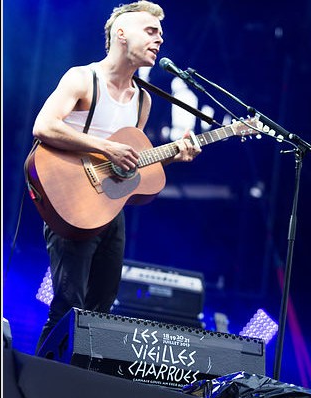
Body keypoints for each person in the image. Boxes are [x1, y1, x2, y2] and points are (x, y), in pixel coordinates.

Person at [32, 0, 201, 354]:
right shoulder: (82, 77)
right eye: (151, 31)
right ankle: (35, 381)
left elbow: (128, 166)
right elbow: (44, 126)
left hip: (109, 210)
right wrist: (106, 149)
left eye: (161, 34)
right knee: (67, 305)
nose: (159, 40)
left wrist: (174, 153)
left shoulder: (143, 100)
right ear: (121, 34)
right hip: (71, 203)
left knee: (101, 310)